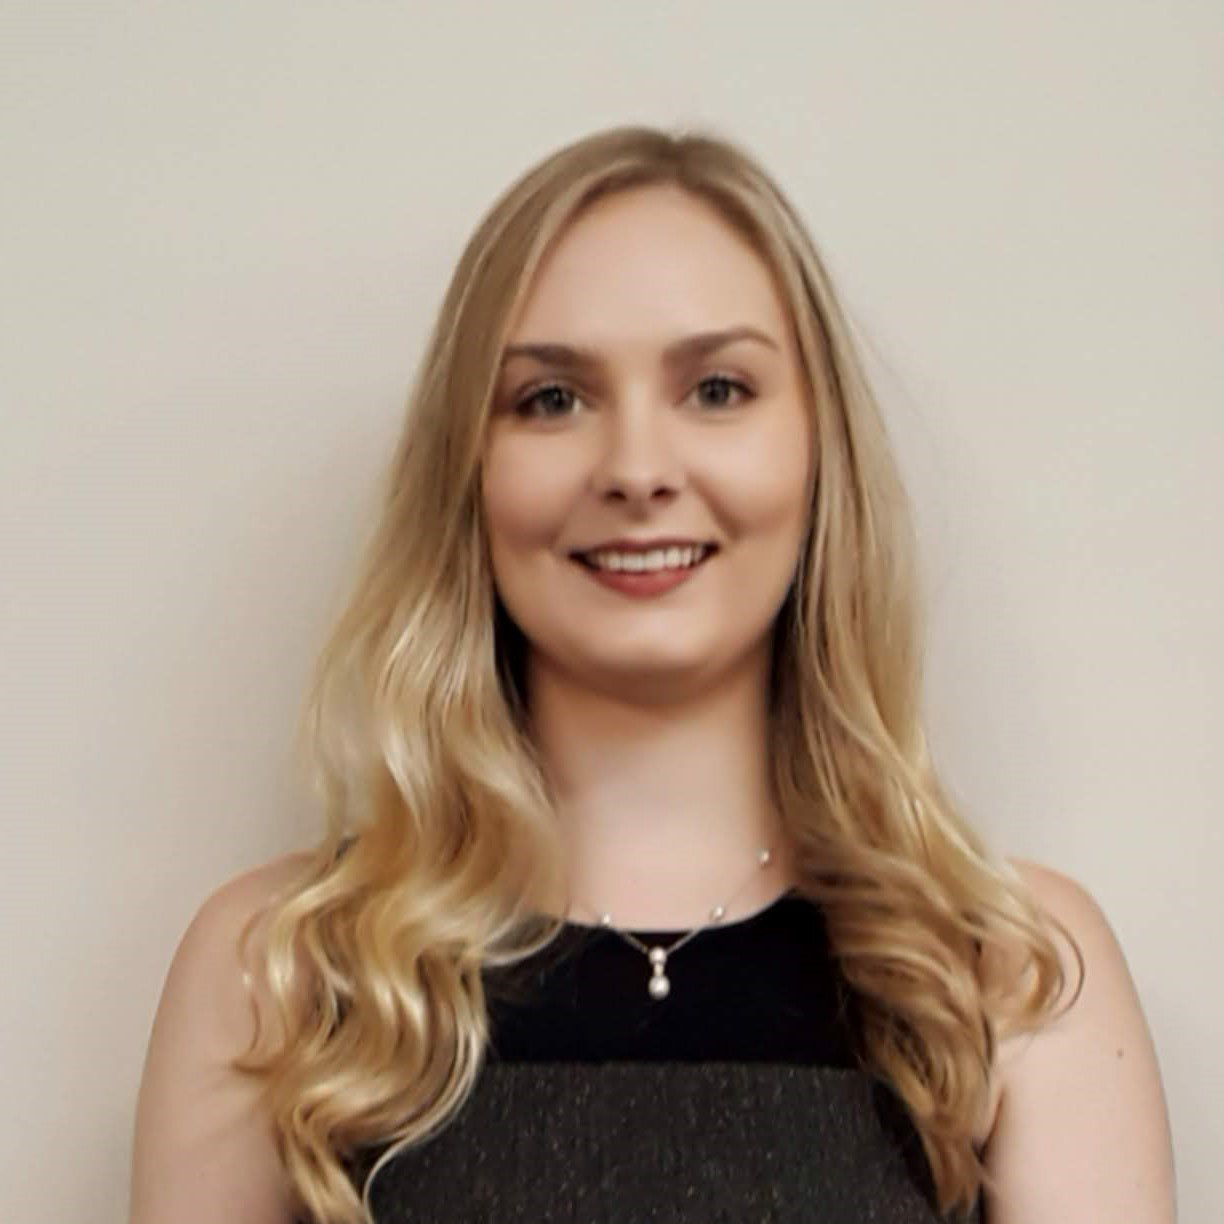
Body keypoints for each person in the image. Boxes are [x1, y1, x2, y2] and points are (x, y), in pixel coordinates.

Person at [128, 125, 1176, 1224]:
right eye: (551, 399)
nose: (635, 470)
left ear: (820, 457)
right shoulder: (281, 971)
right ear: (470, 472)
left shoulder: (1012, 976)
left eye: (718, 389)